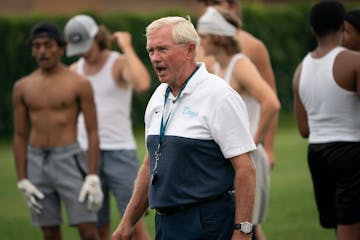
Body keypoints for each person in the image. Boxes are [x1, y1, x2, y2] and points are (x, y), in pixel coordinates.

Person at [112, 15, 257, 240]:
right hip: (166, 222)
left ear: (190, 50)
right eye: (151, 51)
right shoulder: (159, 95)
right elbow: (152, 163)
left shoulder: (219, 96)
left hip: (208, 221)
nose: (155, 58)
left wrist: (243, 231)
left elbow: (245, 168)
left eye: (162, 49)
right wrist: (127, 222)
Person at [64, 15, 151, 240]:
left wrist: (127, 46)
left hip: (120, 151)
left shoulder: (118, 62)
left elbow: (142, 83)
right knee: (97, 226)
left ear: (97, 37)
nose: (83, 52)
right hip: (86, 154)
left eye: (86, 45)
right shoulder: (75, 70)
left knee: (133, 224)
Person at [196, 1, 279, 239]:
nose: (200, 42)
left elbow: (271, 103)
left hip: (247, 156)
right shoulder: (219, 66)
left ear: (219, 38)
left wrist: (253, 143)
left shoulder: (240, 64)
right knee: (247, 226)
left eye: (204, 36)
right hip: (235, 155)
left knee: (246, 226)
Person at [12, 22, 103, 240]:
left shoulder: (79, 83)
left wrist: (92, 175)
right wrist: (22, 178)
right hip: (36, 161)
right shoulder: (22, 87)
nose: (42, 51)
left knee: (88, 230)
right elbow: (20, 135)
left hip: (69, 159)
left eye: (48, 45)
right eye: (37, 46)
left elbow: (92, 131)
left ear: (61, 48)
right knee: (50, 232)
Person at [292, 1, 360, 239]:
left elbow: (303, 129)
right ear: (343, 25)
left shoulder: (300, 69)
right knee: (351, 227)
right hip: (351, 151)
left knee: (340, 226)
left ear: (312, 29)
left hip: (317, 153)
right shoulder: (354, 61)